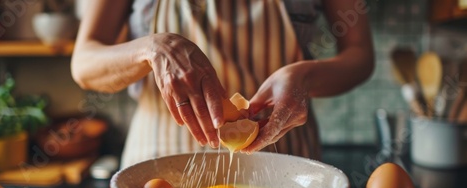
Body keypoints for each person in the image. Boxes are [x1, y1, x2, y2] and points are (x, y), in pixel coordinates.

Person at [71, 0, 374, 168]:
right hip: (159, 166)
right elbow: (84, 63)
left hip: (286, 164)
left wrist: (305, 79)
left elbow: (360, 54)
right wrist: (151, 50)